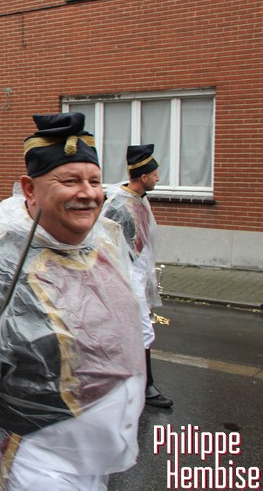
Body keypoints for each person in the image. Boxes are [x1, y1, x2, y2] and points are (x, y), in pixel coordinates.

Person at [0, 112, 145, 491]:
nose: (88, 192)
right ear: (30, 190)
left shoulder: (104, 243)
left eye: (95, 180)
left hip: (96, 462)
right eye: (70, 181)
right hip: (30, 463)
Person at [102, 144, 173, 409]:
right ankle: (145, 386)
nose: (158, 178)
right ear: (143, 177)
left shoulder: (140, 198)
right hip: (126, 277)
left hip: (138, 275)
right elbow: (106, 244)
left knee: (133, 329)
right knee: (141, 328)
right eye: (154, 174)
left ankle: (127, 381)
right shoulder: (119, 205)